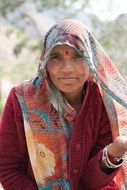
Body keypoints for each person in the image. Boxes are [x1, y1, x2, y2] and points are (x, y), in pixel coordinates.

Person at [0, 18, 127, 190]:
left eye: (78, 56)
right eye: (56, 57)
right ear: (45, 60)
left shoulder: (104, 104)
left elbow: (91, 183)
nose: (67, 68)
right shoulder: (21, 99)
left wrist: (113, 153)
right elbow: (7, 169)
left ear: (91, 61)